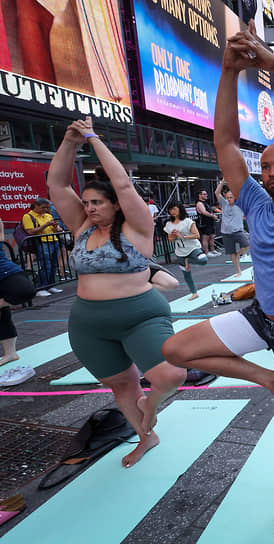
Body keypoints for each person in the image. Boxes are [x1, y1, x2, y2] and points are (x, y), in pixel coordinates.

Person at [161, 22, 274, 536]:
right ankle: (268, 380)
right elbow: (222, 139)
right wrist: (229, 71)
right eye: (266, 166)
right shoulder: (254, 203)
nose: (271, 172)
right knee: (175, 352)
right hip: (262, 320)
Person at [48, 116, 186, 467]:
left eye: (97, 202)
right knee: (123, 387)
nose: (90, 207)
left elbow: (124, 185)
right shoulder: (80, 226)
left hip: (139, 315)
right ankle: (146, 437)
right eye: (87, 202)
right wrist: (69, 141)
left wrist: (93, 138)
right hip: (88, 323)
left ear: (115, 205)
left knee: (170, 375)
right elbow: (57, 184)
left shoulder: (136, 228)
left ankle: (149, 408)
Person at [0, 218, 36, 366]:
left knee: (25, 291)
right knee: (3, 316)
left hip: (5, 271)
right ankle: (10, 353)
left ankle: (10, 353)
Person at [164, 201, 207, 300]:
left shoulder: (188, 221)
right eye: (170, 210)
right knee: (186, 273)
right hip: (180, 251)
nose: (172, 212)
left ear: (180, 209)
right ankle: (194, 292)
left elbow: (197, 235)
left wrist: (182, 235)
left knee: (203, 260)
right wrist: (174, 236)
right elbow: (170, 239)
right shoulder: (169, 224)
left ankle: (189, 260)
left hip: (193, 248)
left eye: (174, 209)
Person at [21, 198, 63, 296]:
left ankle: (50, 285)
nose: (45, 209)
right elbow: (30, 231)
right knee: (45, 265)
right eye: (43, 207)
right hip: (42, 242)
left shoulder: (48, 215)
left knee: (53, 264)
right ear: (36, 206)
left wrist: (56, 227)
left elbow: (57, 230)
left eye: (47, 207)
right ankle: (41, 287)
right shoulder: (28, 216)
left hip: (54, 241)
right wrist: (46, 225)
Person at [215, 179, 249, 277]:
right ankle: (238, 271)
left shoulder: (240, 204)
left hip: (238, 231)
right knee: (231, 253)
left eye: (231, 197)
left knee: (248, 244)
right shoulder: (224, 204)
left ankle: (239, 254)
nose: (229, 199)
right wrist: (222, 183)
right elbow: (217, 192)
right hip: (226, 233)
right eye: (228, 197)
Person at [195, 189, 220, 257]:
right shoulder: (199, 203)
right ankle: (206, 252)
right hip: (204, 223)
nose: (206, 195)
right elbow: (204, 212)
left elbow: (211, 209)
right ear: (200, 195)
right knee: (205, 238)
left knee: (212, 236)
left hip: (209, 222)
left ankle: (213, 250)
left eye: (206, 194)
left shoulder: (205, 202)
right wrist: (213, 216)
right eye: (204, 194)